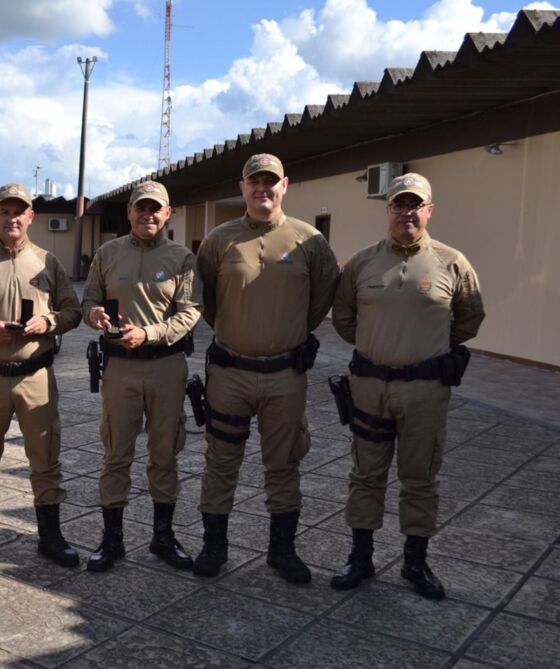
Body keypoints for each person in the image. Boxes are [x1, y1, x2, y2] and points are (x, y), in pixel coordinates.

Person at [330, 173, 484, 599]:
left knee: (420, 478)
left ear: (429, 210)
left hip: (425, 391)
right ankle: (360, 557)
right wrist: (377, 344)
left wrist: (431, 346)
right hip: (370, 386)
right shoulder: (361, 263)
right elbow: (343, 318)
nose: (407, 212)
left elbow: (470, 316)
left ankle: (415, 562)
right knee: (365, 474)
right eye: (399, 204)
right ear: (388, 210)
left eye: (416, 205)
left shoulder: (452, 262)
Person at [194, 154, 339, 582]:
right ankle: (214, 546)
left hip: (285, 376)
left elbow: (323, 299)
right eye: (254, 181)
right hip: (229, 373)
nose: (263, 189)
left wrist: (287, 331)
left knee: (284, 462)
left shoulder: (309, 241)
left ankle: (282, 551)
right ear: (242, 187)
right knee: (221, 460)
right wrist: (239, 331)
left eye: (271, 181)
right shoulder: (219, 240)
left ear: (285, 185)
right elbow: (207, 303)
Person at [0, 183, 82, 568]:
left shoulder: (48, 262)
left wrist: (49, 322)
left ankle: (51, 536)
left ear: (30, 217)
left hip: (35, 375)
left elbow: (73, 311)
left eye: (18, 211)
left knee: (45, 459)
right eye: (4, 211)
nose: (12, 218)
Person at [82, 180, 201, 573]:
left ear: (167, 214)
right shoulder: (108, 253)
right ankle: (112, 540)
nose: (148, 215)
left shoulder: (182, 258)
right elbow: (89, 300)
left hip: (167, 366)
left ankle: (162, 537)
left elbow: (189, 313)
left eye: (156, 209)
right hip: (120, 369)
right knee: (116, 453)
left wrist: (148, 333)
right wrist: (94, 315)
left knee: (165, 454)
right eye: (141, 208)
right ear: (130, 212)